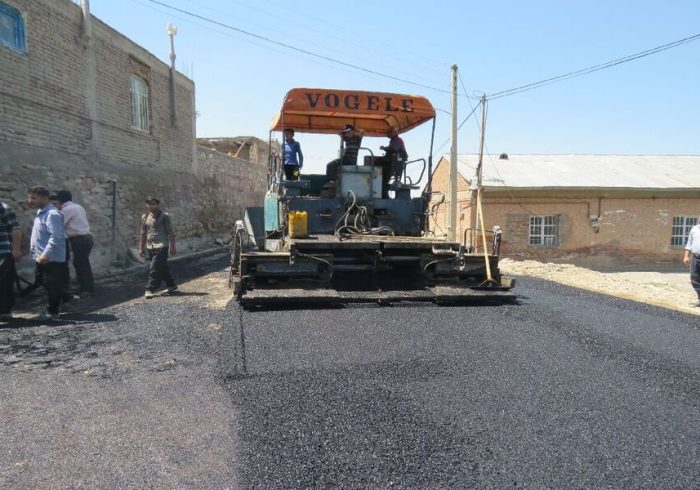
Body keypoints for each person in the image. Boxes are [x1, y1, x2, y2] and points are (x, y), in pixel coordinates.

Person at [28, 186, 67, 321]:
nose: (30, 200)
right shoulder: (41, 213)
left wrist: (46, 254)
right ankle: (63, 297)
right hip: (41, 257)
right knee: (43, 282)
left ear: (44, 198)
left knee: (51, 284)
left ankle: (53, 312)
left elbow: (56, 237)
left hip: (50, 258)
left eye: (34, 198)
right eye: (30, 197)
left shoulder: (52, 214)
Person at [55, 190, 95, 296]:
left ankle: (86, 289)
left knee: (81, 264)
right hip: (87, 237)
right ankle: (87, 287)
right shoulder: (78, 207)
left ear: (60, 200)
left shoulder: (66, 210)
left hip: (79, 239)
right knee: (83, 263)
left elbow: (59, 224)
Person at [139, 197, 177, 299]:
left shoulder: (164, 217)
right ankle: (171, 284)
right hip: (150, 246)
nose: (152, 206)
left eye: (154, 204)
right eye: (150, 204)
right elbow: (143, 233)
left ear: (158, 205)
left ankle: (150, 289)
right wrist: (141, 248)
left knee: (154, 267)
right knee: (162, 267)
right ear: (146, 205)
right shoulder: (145, 217)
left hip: (162, 246)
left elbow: (170, 233)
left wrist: (172, 247)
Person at [0, 202, 22, 321]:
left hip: (3, 252)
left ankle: (4, 312)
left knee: (4, 285)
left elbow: (15, 228)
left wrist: (16, 249)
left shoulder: (3, 207)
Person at [378, 127, 408, 198]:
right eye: (387, 133)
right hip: (392, 164)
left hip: (395, 165)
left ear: (394, 132)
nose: (388, 134)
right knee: (383, 182)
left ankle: (384, 196)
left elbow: (393, 148)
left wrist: (384, 148)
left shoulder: (397, 140)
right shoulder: (393, 140)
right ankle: (384, 195)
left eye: (389, 132)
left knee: (383, 182)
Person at [682, 220, 700, 307]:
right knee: (694, 279)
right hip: (695, 257)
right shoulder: (694, 229)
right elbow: (689, 244)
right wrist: (686, 256)